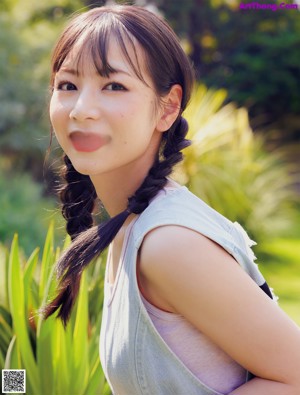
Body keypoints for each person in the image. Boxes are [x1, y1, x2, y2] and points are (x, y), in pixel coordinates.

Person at [44, 4, 300, 395]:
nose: (82, 109)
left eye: (114, 86)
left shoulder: (168, 243)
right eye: (67, 85)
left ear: (167, 108)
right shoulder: (132, 224)